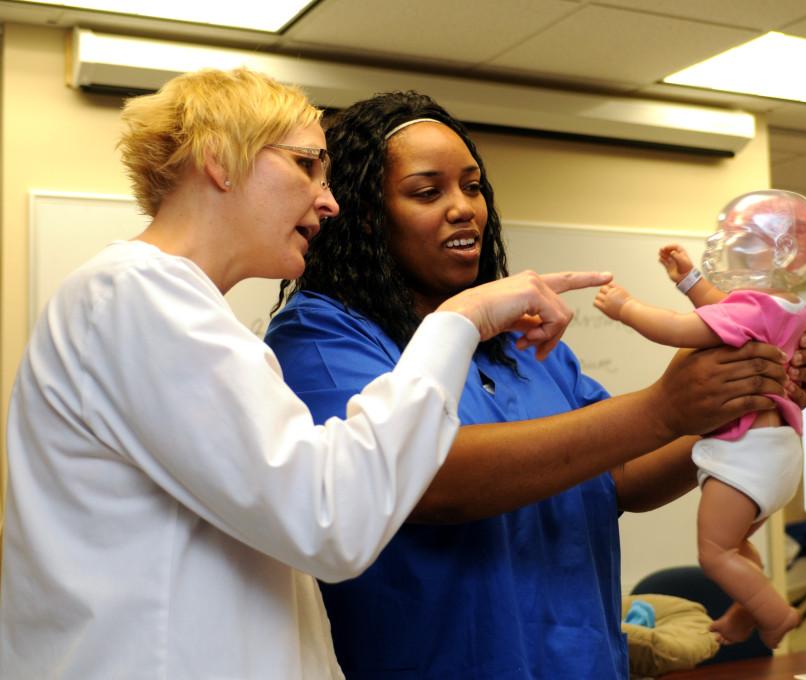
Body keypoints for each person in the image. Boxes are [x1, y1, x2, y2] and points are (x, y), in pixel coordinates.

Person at [0, 69, 610, 680]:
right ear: (220, 161)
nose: (330, 199)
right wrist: (461, 320)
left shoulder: (176, 309)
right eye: (307, 164)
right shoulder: (135, 294)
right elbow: (331, 517)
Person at [264, 91, 806, 679]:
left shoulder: (520, 341)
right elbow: (425, 481)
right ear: (364, 213)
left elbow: (620, 477)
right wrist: (666, 407)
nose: (465, 208)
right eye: (428, 192)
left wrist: (736, 403)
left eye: (474, 186)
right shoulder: (320, 336)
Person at [593, 190, 806, 649]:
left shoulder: (749, 310)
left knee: (715, 553)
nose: (721, 243)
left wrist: (625, 308)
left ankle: (776, 615)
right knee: (736, 545)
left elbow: (680, 329)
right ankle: (745, 613)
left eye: (736, 237)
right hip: (777, 454)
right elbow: (723, 306)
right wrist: (689, 278)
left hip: (744, 461)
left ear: (779, 250)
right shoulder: (788, 308)